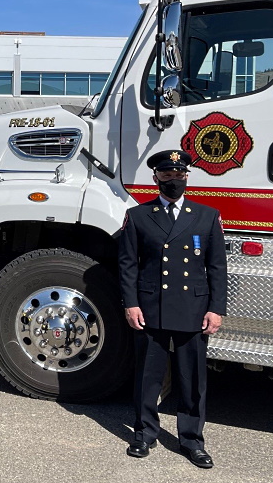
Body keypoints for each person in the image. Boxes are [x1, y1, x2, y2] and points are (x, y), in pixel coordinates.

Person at [118, 149, 226, 469]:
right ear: (155, 178)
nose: (174, 181)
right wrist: (131, 304)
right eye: (167, 175)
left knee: (191, 379)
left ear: (187, 178)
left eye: (179, 175)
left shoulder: (206, 216)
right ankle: (144, 433)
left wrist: (216, 308)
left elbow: (217, 267)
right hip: (150, 309)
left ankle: (192, 440)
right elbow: (127, 266)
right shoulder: (139, 216)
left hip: (193, 309)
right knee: (147, 378)